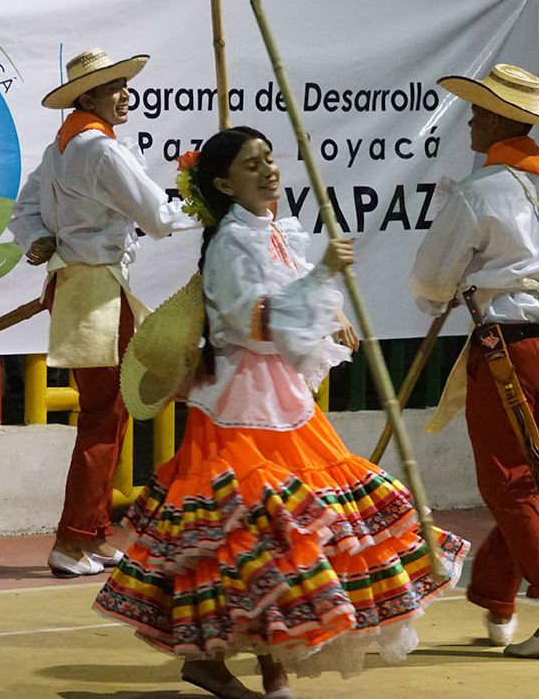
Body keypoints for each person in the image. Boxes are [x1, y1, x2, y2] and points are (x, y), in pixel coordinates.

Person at [95, 127, 469, 698]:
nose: (269, 170)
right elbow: (249, 320)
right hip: (240, 404)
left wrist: (327, 303)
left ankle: (270, 668)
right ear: (224, 183)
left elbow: (292, 296)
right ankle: (221, 662)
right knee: (254, 533)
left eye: (269, 159)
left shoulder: (273, 231)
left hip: (281, 398)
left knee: (286, 536)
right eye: (252, 165)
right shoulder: (229, 244)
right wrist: (320, 282)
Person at [409, 63, 539, 658]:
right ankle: (495, 590)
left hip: (509, 345)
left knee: (509, 484)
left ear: (495, 118)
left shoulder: (476, 191)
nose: (469, 119)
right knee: (527, 481)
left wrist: (454, 287)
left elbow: (431, 281)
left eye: (476, 110)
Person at [8, 48, 196, 578]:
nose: (123, 93)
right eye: (112, 86)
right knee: (102, 413)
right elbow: (158, 218)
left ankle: (92, 531)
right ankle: (70, 542)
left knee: (106, 410)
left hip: (80, 286)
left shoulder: (60, 148)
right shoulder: (101, 151)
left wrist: (41, 238)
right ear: (87, 96)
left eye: (122, 83)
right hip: (99, 291)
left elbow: (22, 212)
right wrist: (209, 204)